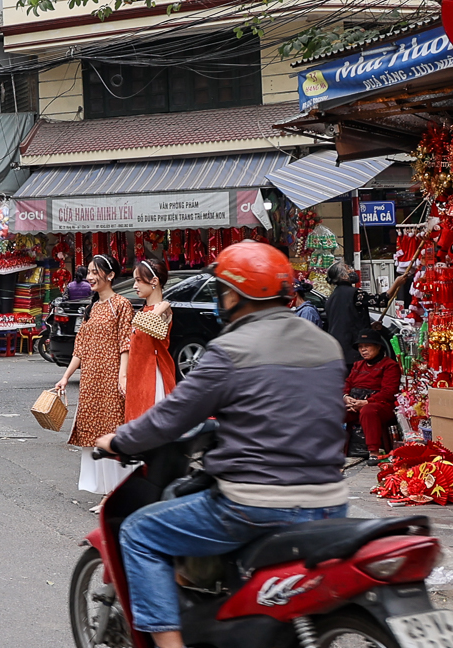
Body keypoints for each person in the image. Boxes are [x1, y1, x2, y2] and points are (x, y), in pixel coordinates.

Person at [94, 242, 348, 648]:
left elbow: (170, 417)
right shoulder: (326, 346)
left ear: (234, 295)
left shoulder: (230, 350)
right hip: (332, 502)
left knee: (140, 532)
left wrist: (118, 439)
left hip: (254, 504)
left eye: (223, 290)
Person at [53, 254, 134, 500]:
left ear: (109, 275)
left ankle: (116, 492)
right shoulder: (92, 307)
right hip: (90, 379)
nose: (89, 277)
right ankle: (105, 491)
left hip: (111, 378)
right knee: (93, 431)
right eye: (88, 272)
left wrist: (122, 376)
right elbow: (81, 348)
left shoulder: (121, 305)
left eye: (94, 272)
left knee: (112, 429)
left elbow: (125, 343)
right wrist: (65, 377)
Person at [125, 257, 176, 422]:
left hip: (152, 376)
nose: (134, 286)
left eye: (138, 280)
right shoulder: (149, 310)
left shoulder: (163, 311)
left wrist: (161, 305)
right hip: (138, 375)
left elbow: (146, 322)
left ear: (154, 281)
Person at [344, 329, 402, 464]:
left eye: (367, 346)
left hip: (380, 404)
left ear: (378, 346)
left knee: (368, 411)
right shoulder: (358, 365)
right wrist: (346, 397)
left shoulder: (389, 365)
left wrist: (366, 402)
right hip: (355, 402)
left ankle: (374, 452)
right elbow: (347, 383)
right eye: (360, 347)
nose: (363, 350)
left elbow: (389, 392)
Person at [324, 260, 368, 368]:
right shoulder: (354, 293)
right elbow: (381, 300)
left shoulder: (332, 297)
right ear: (343, 276)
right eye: (348, 269)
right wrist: (397, 283)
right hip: (352, 348)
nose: (351, 271)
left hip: (338, 348)